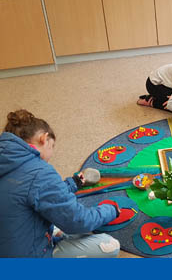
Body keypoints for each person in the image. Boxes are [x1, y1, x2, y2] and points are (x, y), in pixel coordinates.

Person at [0, 109, 121, 258]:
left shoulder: (8, 160)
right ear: (44, 139)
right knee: (109, 245)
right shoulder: (40, 172)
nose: (51, 153)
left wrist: (73, 183)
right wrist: (111, 210)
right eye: (52, 147)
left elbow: (35, 191)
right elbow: (79, 221)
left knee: (54, 214)